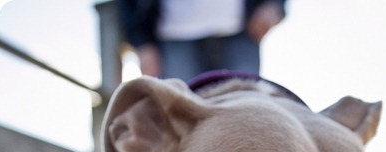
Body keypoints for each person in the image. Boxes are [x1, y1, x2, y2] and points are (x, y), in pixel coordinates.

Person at [116, 0, 287, 81]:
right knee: (179, 121)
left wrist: (275, 3)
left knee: (248, 115)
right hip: (174, 38)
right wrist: (142, 42)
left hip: (240, 33)